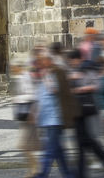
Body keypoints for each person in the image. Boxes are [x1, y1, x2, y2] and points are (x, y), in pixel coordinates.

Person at [65, 49, 104, 178]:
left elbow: (98, 85)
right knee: (82, 140)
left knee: (83, 140)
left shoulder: (87, 68)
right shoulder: (73, 70)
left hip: (86, 108)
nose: (71, 63)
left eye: (72, 60)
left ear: (78, 59)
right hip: (76, 108)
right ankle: (103, 159)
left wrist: (80, 89)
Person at [33, 49, 76, 178]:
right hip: (46, 118)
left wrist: (47, 77)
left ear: (49, 61)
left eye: (43, 60)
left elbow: (55, 90)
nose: (40, 63)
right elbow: (42, 97)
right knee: (58, 149)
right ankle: (68, 173)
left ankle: (42, 174)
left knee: (50, 149)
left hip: (54, 118)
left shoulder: (53, 74)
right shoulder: (45, 75)